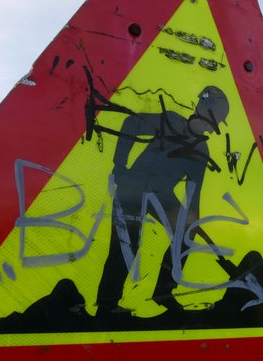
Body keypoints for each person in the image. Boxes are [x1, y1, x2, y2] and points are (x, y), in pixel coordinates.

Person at [96, 86, 229, 320]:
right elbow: (130, 124)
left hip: (162, 196)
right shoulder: (171, 122)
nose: (211, 125)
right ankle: (106, 306)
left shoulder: (201, 149)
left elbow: (193, 192)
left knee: (186, 234)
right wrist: (119, 166)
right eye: (213, 118)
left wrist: (192, 220)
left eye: (216, 121)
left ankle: (163, 291)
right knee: (126, 246)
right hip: (132, 189)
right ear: (203, 111)